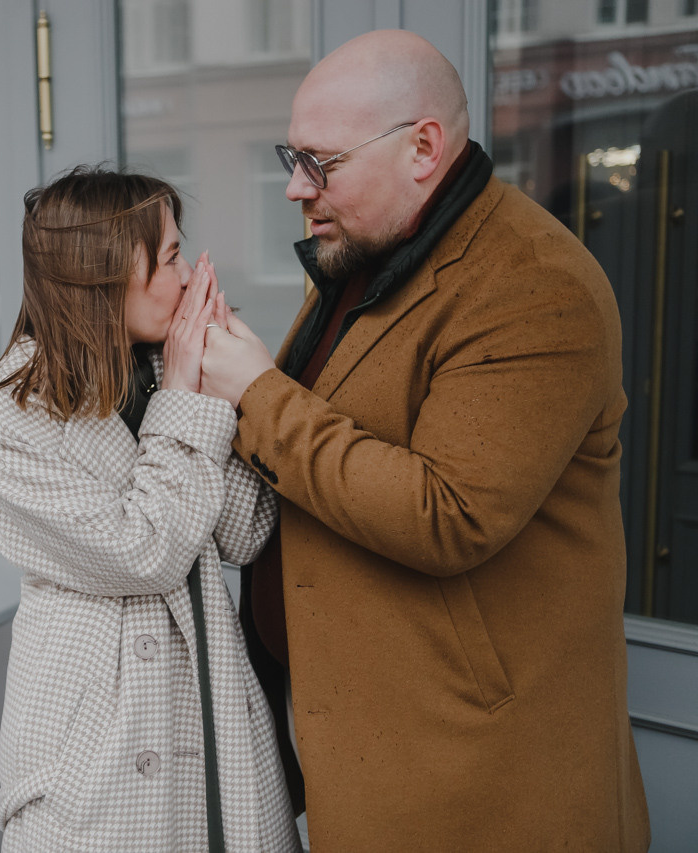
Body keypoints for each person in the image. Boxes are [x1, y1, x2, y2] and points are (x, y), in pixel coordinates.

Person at [200, 29, 651, 853]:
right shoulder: (368, 251)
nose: (298, 189)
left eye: (322, 162)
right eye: (289, 158)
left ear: (423, 147)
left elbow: (450, 514)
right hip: (371, 745)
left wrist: (255, 392)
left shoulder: (534, 283)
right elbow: (326, 434)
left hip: (480, 782)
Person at [0, 166, 301, 852]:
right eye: (172, 256)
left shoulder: (163, 367)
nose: (190, 273)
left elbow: (245, 532)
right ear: (107, 273)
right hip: (100, 737)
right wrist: (187, 398)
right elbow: (144, 553)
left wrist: (225, 381)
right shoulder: (5, 416)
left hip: (209, 704)